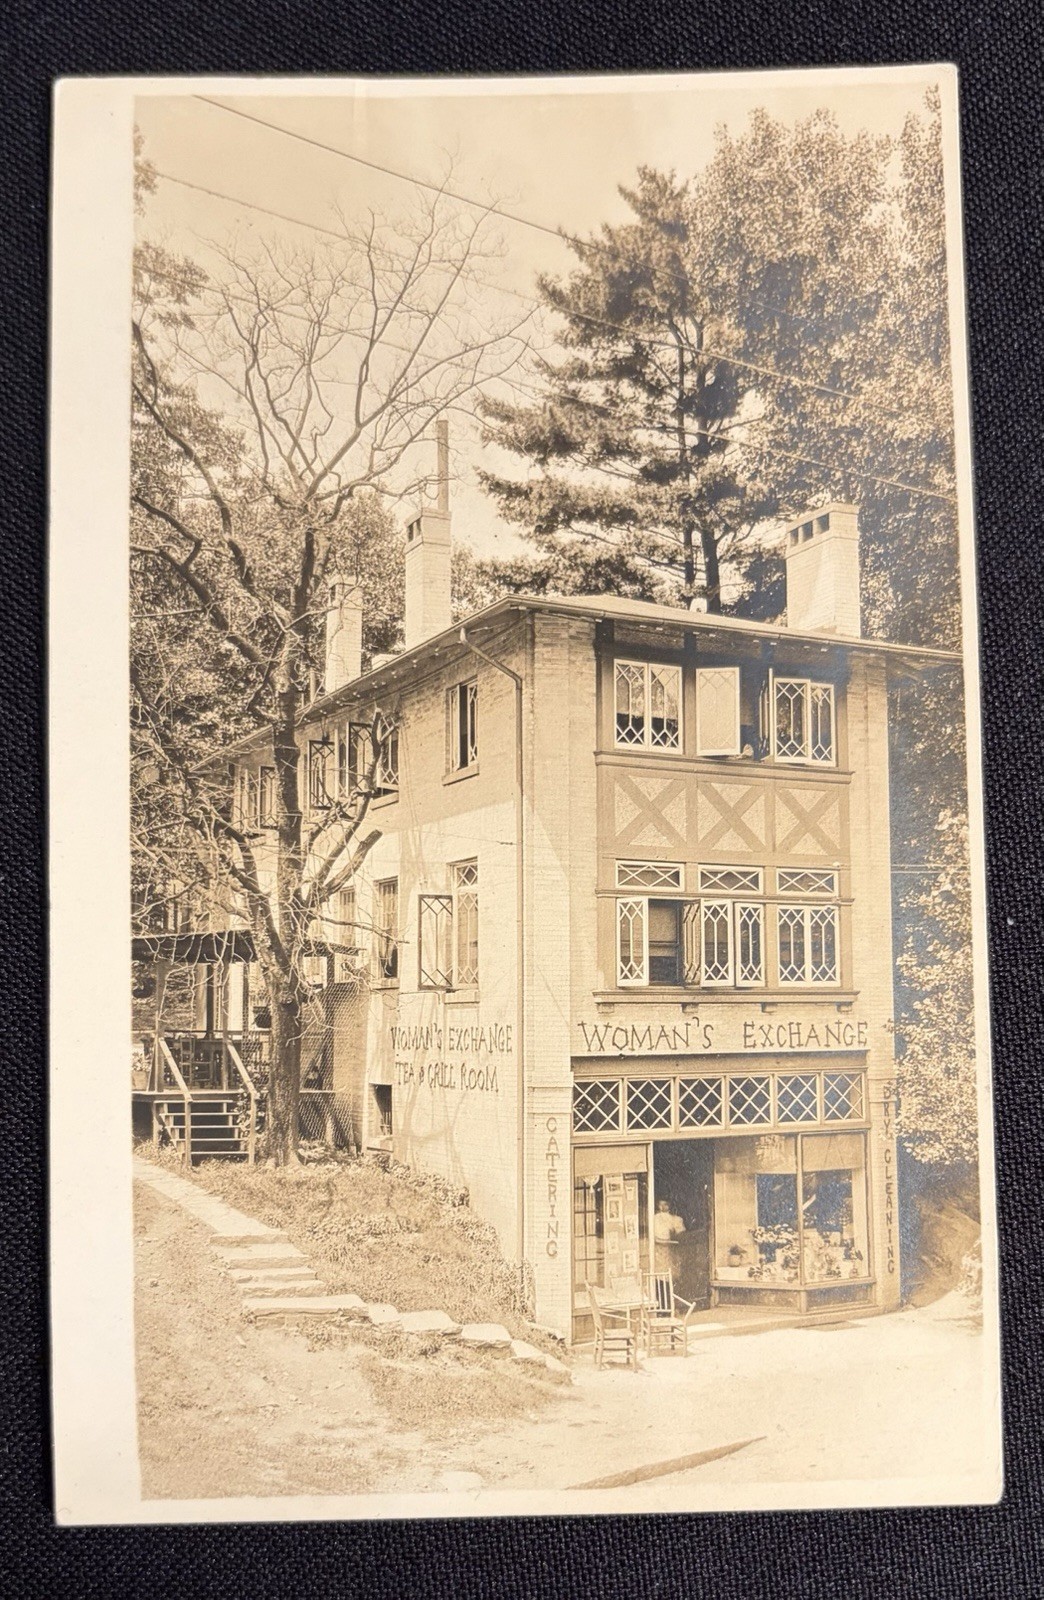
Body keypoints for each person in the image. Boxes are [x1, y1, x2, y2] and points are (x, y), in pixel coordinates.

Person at [653, 1196, 686, 1277]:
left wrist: (674, 1234)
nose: (663, 1207)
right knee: (659, 1273)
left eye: (665, 1204)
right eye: (660, 1204)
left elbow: (681, 1235)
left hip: (671, 1250)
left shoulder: (676, 1219)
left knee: (672, 1273)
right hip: (658, 1250)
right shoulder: (655, 1218)